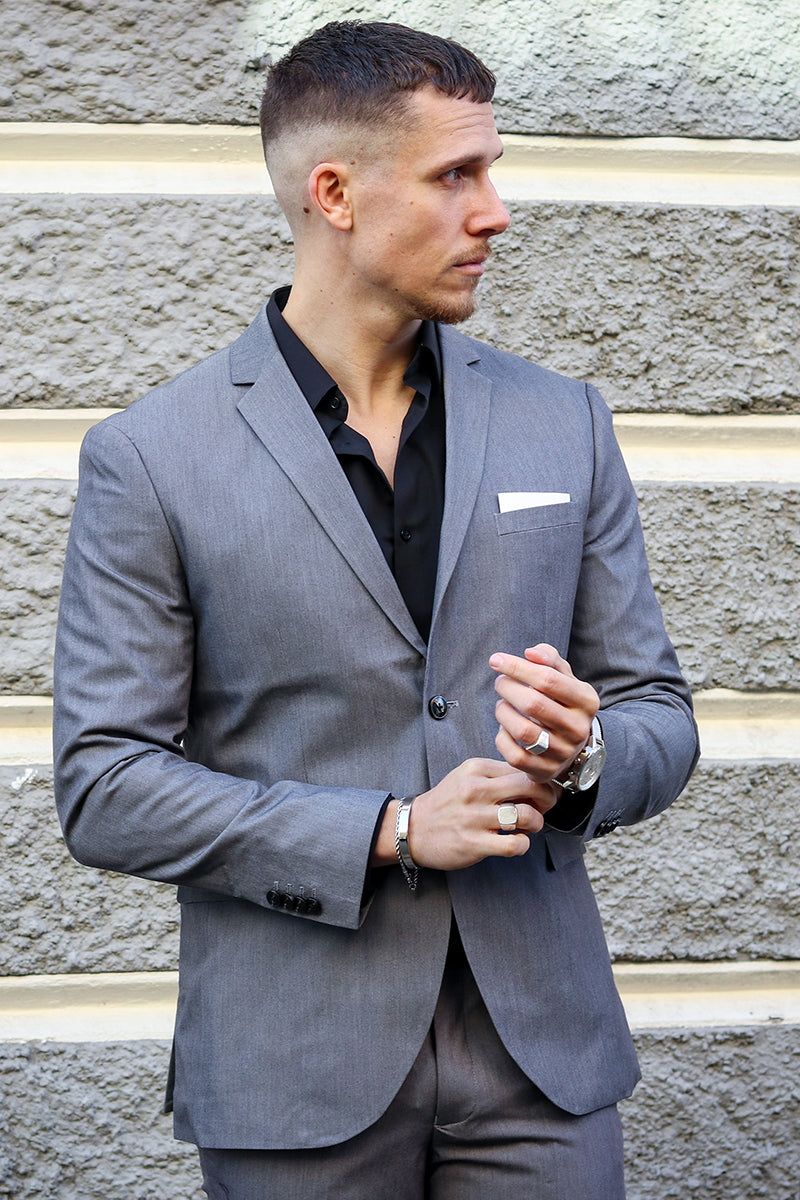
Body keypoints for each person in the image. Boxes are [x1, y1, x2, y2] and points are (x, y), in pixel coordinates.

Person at [53, 20, 699, 1200]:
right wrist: (390, 830)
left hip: (540, 1066)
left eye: (490, 171)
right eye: (456, 175)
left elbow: (657, 709)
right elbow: (105, 786)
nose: (494, 212)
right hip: (294, 1070)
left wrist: (587, 756)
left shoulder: (564, 420)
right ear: (335, 194)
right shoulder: (150, 458)